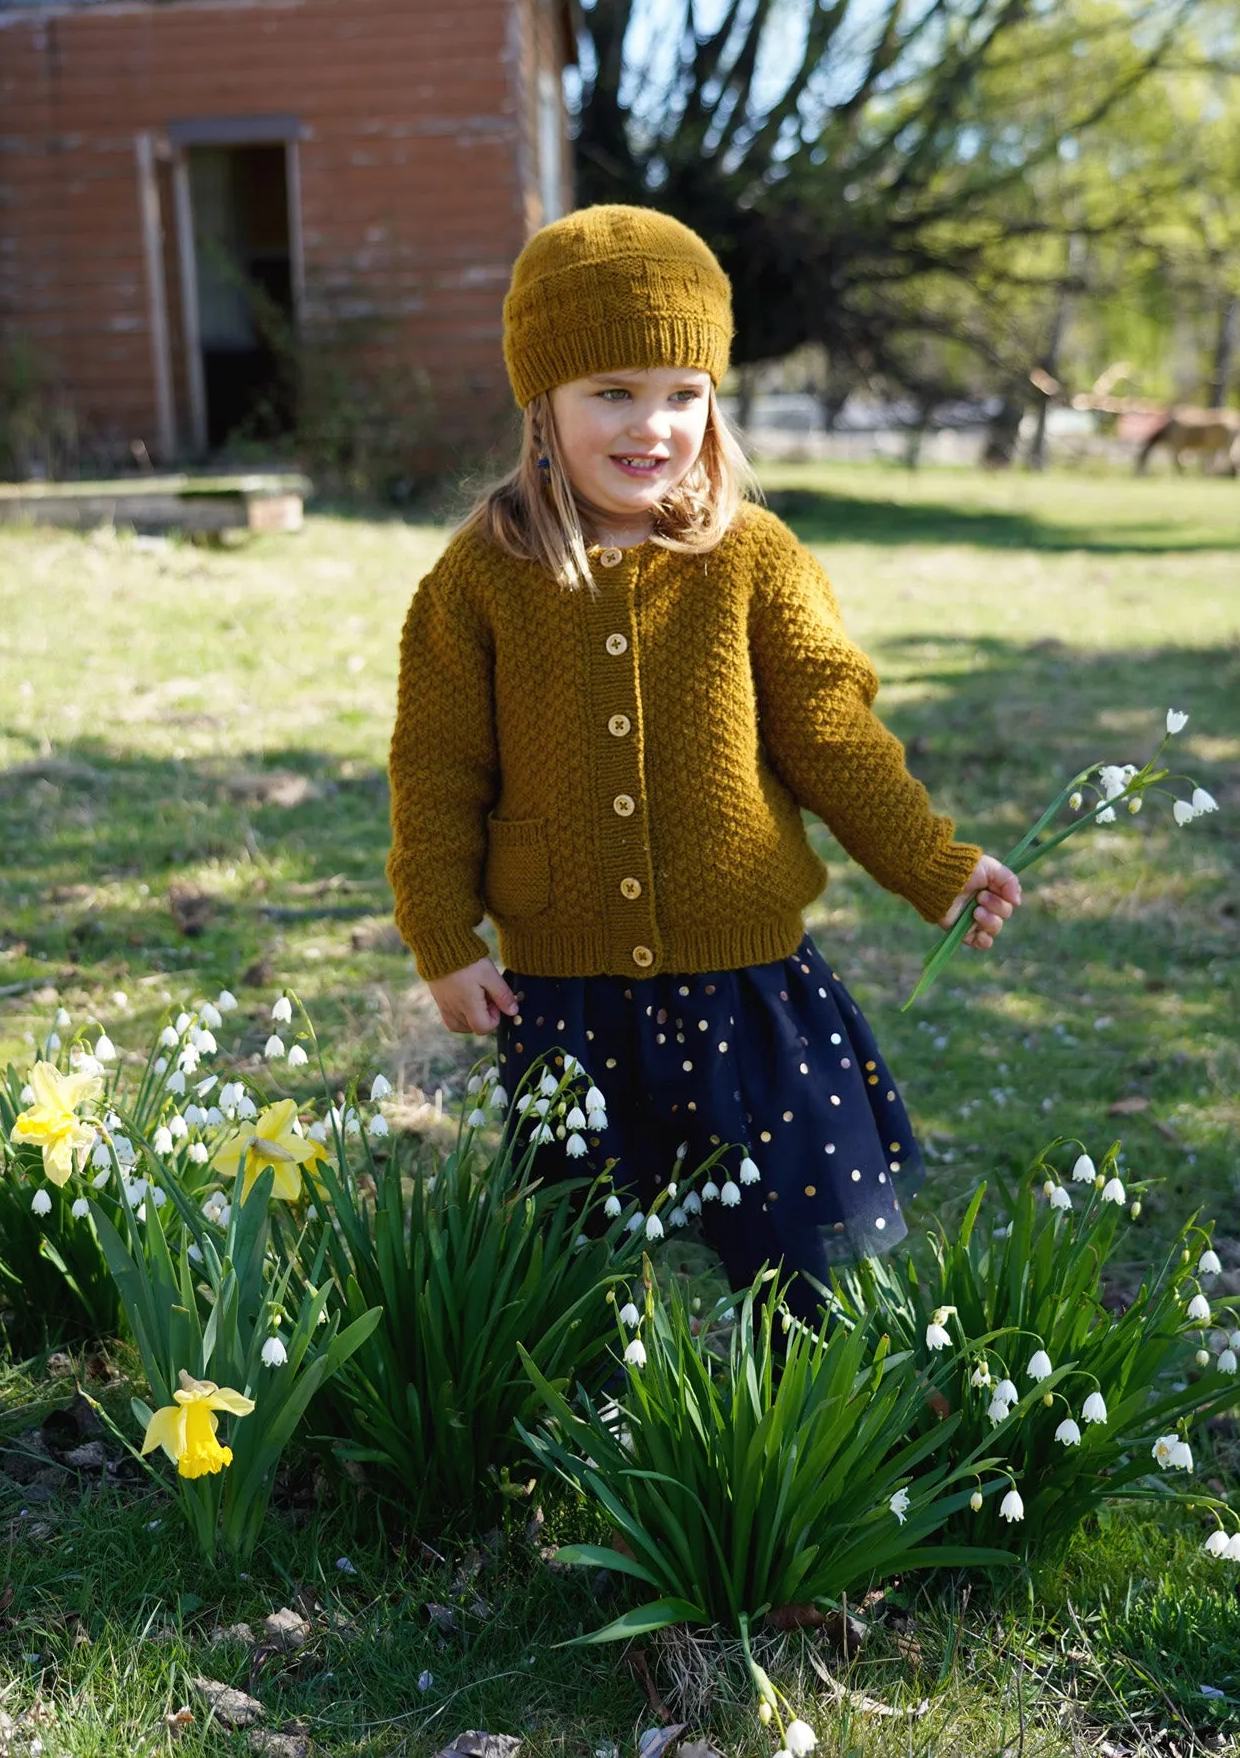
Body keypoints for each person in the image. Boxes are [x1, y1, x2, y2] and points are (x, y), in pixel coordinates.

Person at [387, 204, 1020, 1308]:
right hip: (565, 991)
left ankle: (791, 1443)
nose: (653, 426)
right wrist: (442, 936)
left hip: (746, 980)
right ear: (543, 401)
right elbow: (438, 771)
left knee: (783, 1251)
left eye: (684, 394)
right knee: (582, 1257)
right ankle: (598, 1444)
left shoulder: (754, 559)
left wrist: (934, 862)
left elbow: (832, 730)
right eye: (613, 393)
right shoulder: (479, 580)